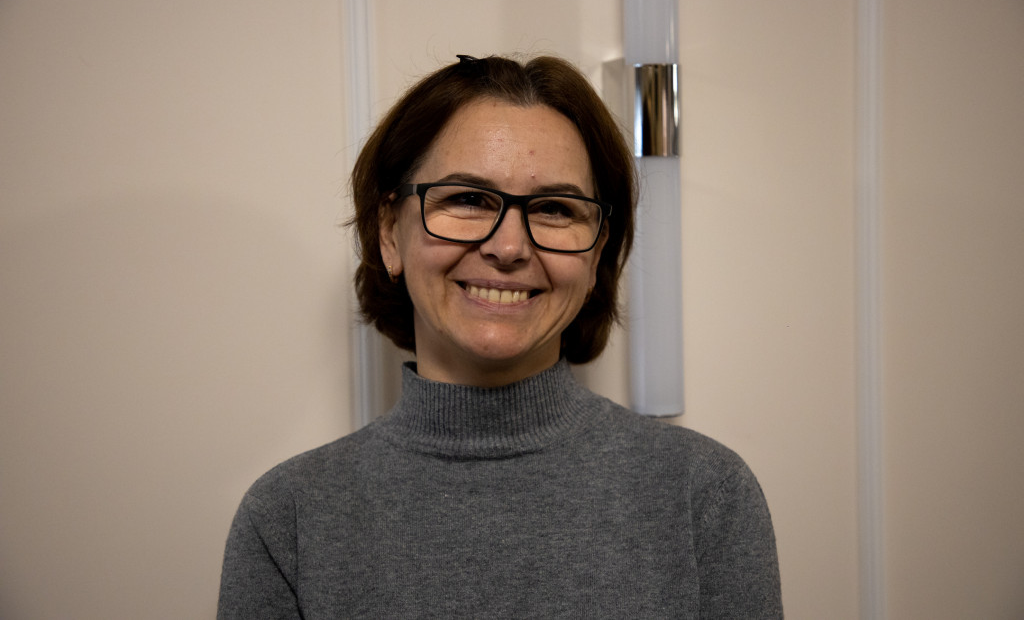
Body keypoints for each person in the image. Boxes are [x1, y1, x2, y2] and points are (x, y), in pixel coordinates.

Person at [217, 54, 782, 618]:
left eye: (555, 208)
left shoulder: (705, 496)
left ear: (597, 254)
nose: (508, 248)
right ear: (389, 232)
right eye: (467, 199)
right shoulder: (288, 520)